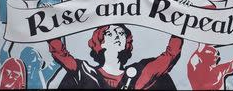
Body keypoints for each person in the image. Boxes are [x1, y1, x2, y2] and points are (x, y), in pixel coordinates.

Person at [48, 25, 183, 89]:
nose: (117, 36)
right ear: (100, 41)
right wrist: (49, 17)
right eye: (110, 34)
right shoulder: (84, 70)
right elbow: (60, 53)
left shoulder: (142, 71)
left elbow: (170, 55)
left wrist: (183, 16)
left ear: (126, 41)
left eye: (121, 33)